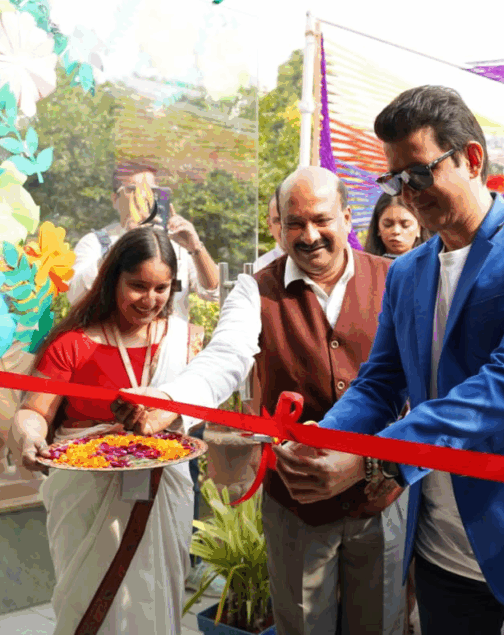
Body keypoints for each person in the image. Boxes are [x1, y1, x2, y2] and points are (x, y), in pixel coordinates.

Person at [272, 85, 504, 634]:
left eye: (419, 174)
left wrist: (378, 460)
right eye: (395, 180)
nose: (407, 194)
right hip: (443, 542)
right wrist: (326, 438)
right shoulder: (408, 272)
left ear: (470, 158)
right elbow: (380, 382)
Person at [123, 167, 408, 635]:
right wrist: (175, 399)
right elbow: (227, 355)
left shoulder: (395, 278)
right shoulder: (255, 288)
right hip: (297, 498)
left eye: (321, 220)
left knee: (380, 623)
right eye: (295, 223)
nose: (309, 236)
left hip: (380, 495)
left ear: (347, 218)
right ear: (279, 225)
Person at [8, 227, 203, 634]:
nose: (150, 300)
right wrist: (29, 438)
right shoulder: (73, 345)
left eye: (162, 288)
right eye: (138, 286)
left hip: (163, 492)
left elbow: (196, 413)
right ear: (113, 279)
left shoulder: (182, 341)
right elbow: (34, 412)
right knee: (91, 606)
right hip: (86, 498)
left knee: (153, 602)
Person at [67, 162, 219, 320]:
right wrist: (123, 244)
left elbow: (213, 292)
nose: (144, 196)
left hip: (169, 335)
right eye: (133, 189)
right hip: (113, 334)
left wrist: (195, 248)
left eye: (152, 190)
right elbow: (74, 295)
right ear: (115, 199)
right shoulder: (97, 243)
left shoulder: (176, 242)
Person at [365, 193, 427, 257]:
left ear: (419, 228)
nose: (396, 231)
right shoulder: (362, 262)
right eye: (387, 225)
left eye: (405, 225)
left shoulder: (431, 261)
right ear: (377, 228)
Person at [253, 188, 286, 272]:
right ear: (269, 225)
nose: (283, 226)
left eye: (290, 219)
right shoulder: (259, 268)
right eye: (277, 220)